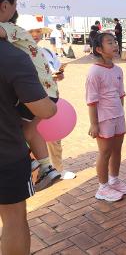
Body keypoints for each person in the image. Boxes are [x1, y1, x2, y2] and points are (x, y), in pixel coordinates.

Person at [0, 0, 58, 255]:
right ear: (4, 7)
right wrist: (52, 104)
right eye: (14, 2)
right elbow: (44, 109)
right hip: (6, 156)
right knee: (13, 220)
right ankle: (43, 164)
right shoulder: (13, 56)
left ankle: (42, 164)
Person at [86, 32, 126, 202]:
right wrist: (93, 124)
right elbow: (91, 100)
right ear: (99, 49)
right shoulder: (94, 72)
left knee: (117, 150)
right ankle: (102, 187)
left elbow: (121, 95)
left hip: (118, 116)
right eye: (110, 43)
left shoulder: (118, 70)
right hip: (104, 118)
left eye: (115, 42)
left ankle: (114, 179)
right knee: (105, 152)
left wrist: (121, 113)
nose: (115, 45)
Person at [29, 28, 76, 180]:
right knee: (30, 135)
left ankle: (57, 169)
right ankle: (34, 175)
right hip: (30, 101)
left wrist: (59, 75)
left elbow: (56, 71)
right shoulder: (20, 53)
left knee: (54, 138)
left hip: (50, 99)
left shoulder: (47, 52)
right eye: (31, 32)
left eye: (38, 31)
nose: (36, 35)